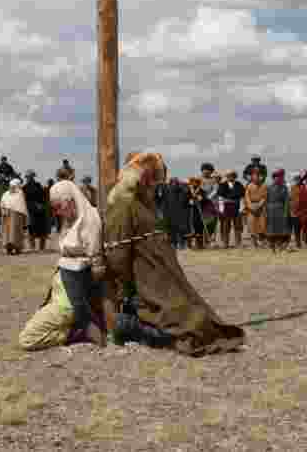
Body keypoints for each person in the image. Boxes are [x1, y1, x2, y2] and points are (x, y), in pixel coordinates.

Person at [101, 152, 245, 355]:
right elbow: (117, 257)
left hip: (161, 275)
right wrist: (126, 291)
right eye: (154, 182)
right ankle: (133, 327)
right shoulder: (123, 205)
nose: (157, 187)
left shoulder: (144, 203)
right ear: (143, 179)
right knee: (186, 329)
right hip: (143, 284)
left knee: (200, 320)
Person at [18, 180, 105, 350]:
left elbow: (95, 262)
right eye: (54, 208)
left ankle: (75, 333)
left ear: (71, 200)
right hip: (58, 295)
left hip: (68, 300)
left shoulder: (90, 218)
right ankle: (72, 329)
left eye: (59, 206)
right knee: (32, 326)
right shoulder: (71, 221)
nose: (57, 212)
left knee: (27, 339)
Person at [265, 170, 292, 253]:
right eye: (277, 177)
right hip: (270, 210)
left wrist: (285, 212)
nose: (278, 178)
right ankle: (271, 246)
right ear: (274, 178)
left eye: (280, 177)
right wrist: (266, 211)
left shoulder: (284, 188)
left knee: (280, 229)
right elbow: (266, 199)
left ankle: (280, 245)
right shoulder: (269, 187)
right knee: (271, 228)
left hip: (280, 209)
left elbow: (287, 201)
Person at [216, 170, 244, 248]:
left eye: (232, 175)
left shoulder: (239, 185)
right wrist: (221, 209)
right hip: (226, 207)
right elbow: (220, 198)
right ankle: (225, 243)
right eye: (228, 176)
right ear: (226, 177)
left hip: (237, 206)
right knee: (226, 226)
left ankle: (238, 242)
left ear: (235, 176)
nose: (230, 177)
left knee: (237, 226)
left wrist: (241, 208)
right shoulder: (222, 185)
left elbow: (242, 198)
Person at [0, 178, 29, 254]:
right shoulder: (6, 194)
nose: (12, 187)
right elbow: (2, 204)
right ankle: (9, 249)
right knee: (8, 233)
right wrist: (3, 211)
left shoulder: (19, 193)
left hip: (16, 216)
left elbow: (21, 206)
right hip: (7, 215)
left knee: (16, 232)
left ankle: (17, 249)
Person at [22, 170, 49, 249]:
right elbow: (24, 200)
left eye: (31, 176)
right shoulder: (24, 188)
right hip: (30, 211)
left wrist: (42, 205)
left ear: (33, 177)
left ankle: (42, 248)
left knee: (42, 230)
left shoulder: (38, 185)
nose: (29, 178)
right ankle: (32, 247)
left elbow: (43, 197)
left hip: (40, 210)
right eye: (28, 177)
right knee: (31, 230)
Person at [162, 177, 189, 250]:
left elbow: (186, 201)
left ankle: (182, 244)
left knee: (181, 229)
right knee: (171, 229)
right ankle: (174, 244)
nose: (174, 185)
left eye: (176, 183)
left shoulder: (182, 191)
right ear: (170, 184)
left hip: (180, 212)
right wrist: (165, 213)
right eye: (173, 183)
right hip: (170, 213)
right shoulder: (167, 191)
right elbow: (164, 203)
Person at [244, 167, 268, 248]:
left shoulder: (264, 186)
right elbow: (246, 197)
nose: (256, 177)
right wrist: (251, 206)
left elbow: (265, 197)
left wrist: (259, 205)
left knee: (262, 225)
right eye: (254, 175)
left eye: (258, 176)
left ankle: (262, 242)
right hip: (251, 209)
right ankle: (254, 243)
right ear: (252, 177)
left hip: (261, 208)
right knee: (252, 225)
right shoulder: (249, 186)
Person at [199, 163, 220, 246]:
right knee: (203, 223)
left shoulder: (214, 180)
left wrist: (208, 197)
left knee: (212, 222)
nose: (206, 171)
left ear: (211, 171)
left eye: (208, 170)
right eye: (204, 170)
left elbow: (215, 190)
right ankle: (203, 241)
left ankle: (210, 239)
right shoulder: (199, 180)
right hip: (202, 204)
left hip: (212, 204)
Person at [185, 177, 209, 250]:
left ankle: (199, 244)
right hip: (189, 211)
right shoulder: (188, 190)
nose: (194, 183)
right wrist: (189, 201)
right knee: (190, 228)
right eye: (193, 182)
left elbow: (205, 200)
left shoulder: (202, 191)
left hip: (199, 211)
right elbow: (183, 200)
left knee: (199, 227)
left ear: (198, 183)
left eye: (196, 182)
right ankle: (189, 245)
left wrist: (201, 199)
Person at [288, 172, 303, 248]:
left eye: (298, 178)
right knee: (293, 229)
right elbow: (290, 199)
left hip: (301, 212)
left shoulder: (303, 187)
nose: (297, 180)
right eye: (296, 179)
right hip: (293, 212)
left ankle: (299, 243)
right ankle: (293, 243)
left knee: (299, 229)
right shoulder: (292, 188)